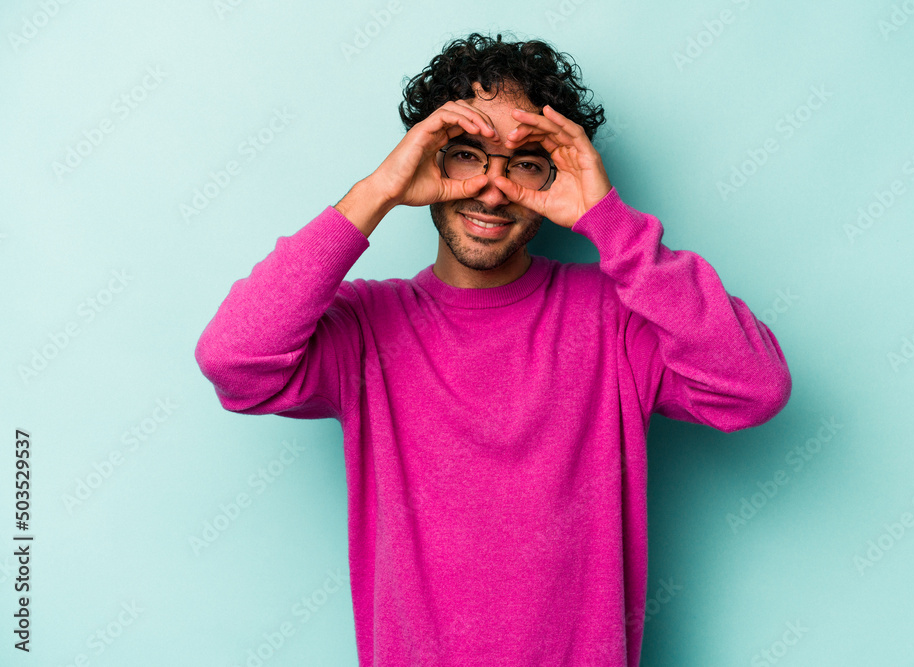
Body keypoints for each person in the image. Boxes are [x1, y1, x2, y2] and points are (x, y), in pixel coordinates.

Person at [195, 31, 792, 667]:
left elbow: (754, 388)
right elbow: (233, 362)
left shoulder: (617, 321)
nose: (493, 189)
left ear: (559, 172)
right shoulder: (365, 328)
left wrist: (610, 223)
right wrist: (376, 193)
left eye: (525, 162)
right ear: (424, 157)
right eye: (465, 156)